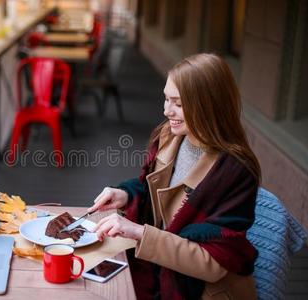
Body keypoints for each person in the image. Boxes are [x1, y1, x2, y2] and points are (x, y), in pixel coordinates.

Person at [88, 53, 260, 300]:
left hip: (204, 291)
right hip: (160, 269)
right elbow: (155, 194)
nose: (166, 110)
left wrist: (139, 232)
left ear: (208, 105)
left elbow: (212, 264)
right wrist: (125, 194)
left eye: (178, 103)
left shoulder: (235, 171)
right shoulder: (169, 137)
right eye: (166, 99)